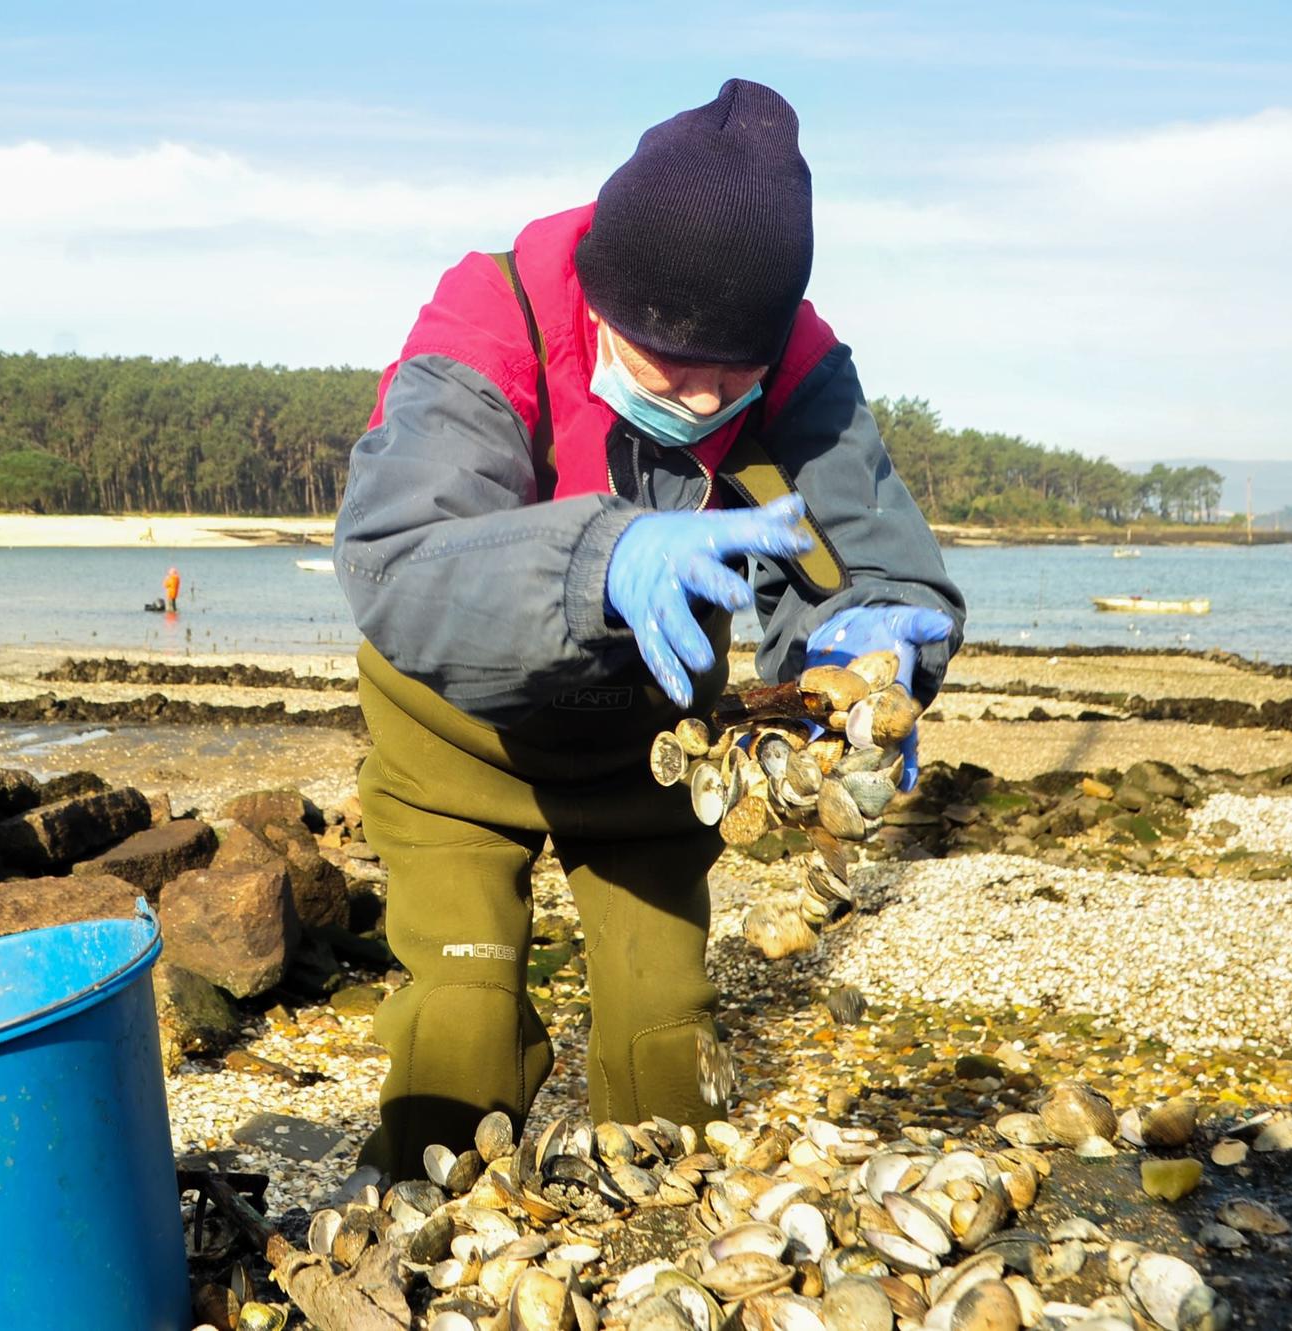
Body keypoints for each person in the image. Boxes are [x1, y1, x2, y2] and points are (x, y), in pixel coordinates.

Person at [333, 79, 964, 1181]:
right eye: (670, 360)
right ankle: (408, 1234)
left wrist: (867, 655)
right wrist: (604, 557)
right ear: (603, 300)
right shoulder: (493, 318)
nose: (703, 393)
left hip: (645, 751)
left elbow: (861, 553)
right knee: (462, 1013)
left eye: (734, 372)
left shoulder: (799, 367)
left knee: (664, 1034)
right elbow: (395, 562)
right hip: (452, 738)